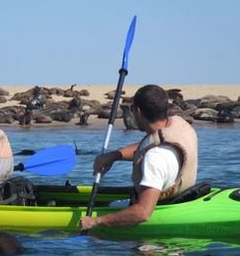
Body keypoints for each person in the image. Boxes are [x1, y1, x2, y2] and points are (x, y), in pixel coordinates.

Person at [80, 84, 198, 231]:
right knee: (111, 204)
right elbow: (151, 143)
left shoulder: (154, 158)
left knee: (108, 208)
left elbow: (142, 213)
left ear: (138, 112)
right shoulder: (179, 125)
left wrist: (95, 222)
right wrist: (115, 155)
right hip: (181, 196)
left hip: (156, 212)